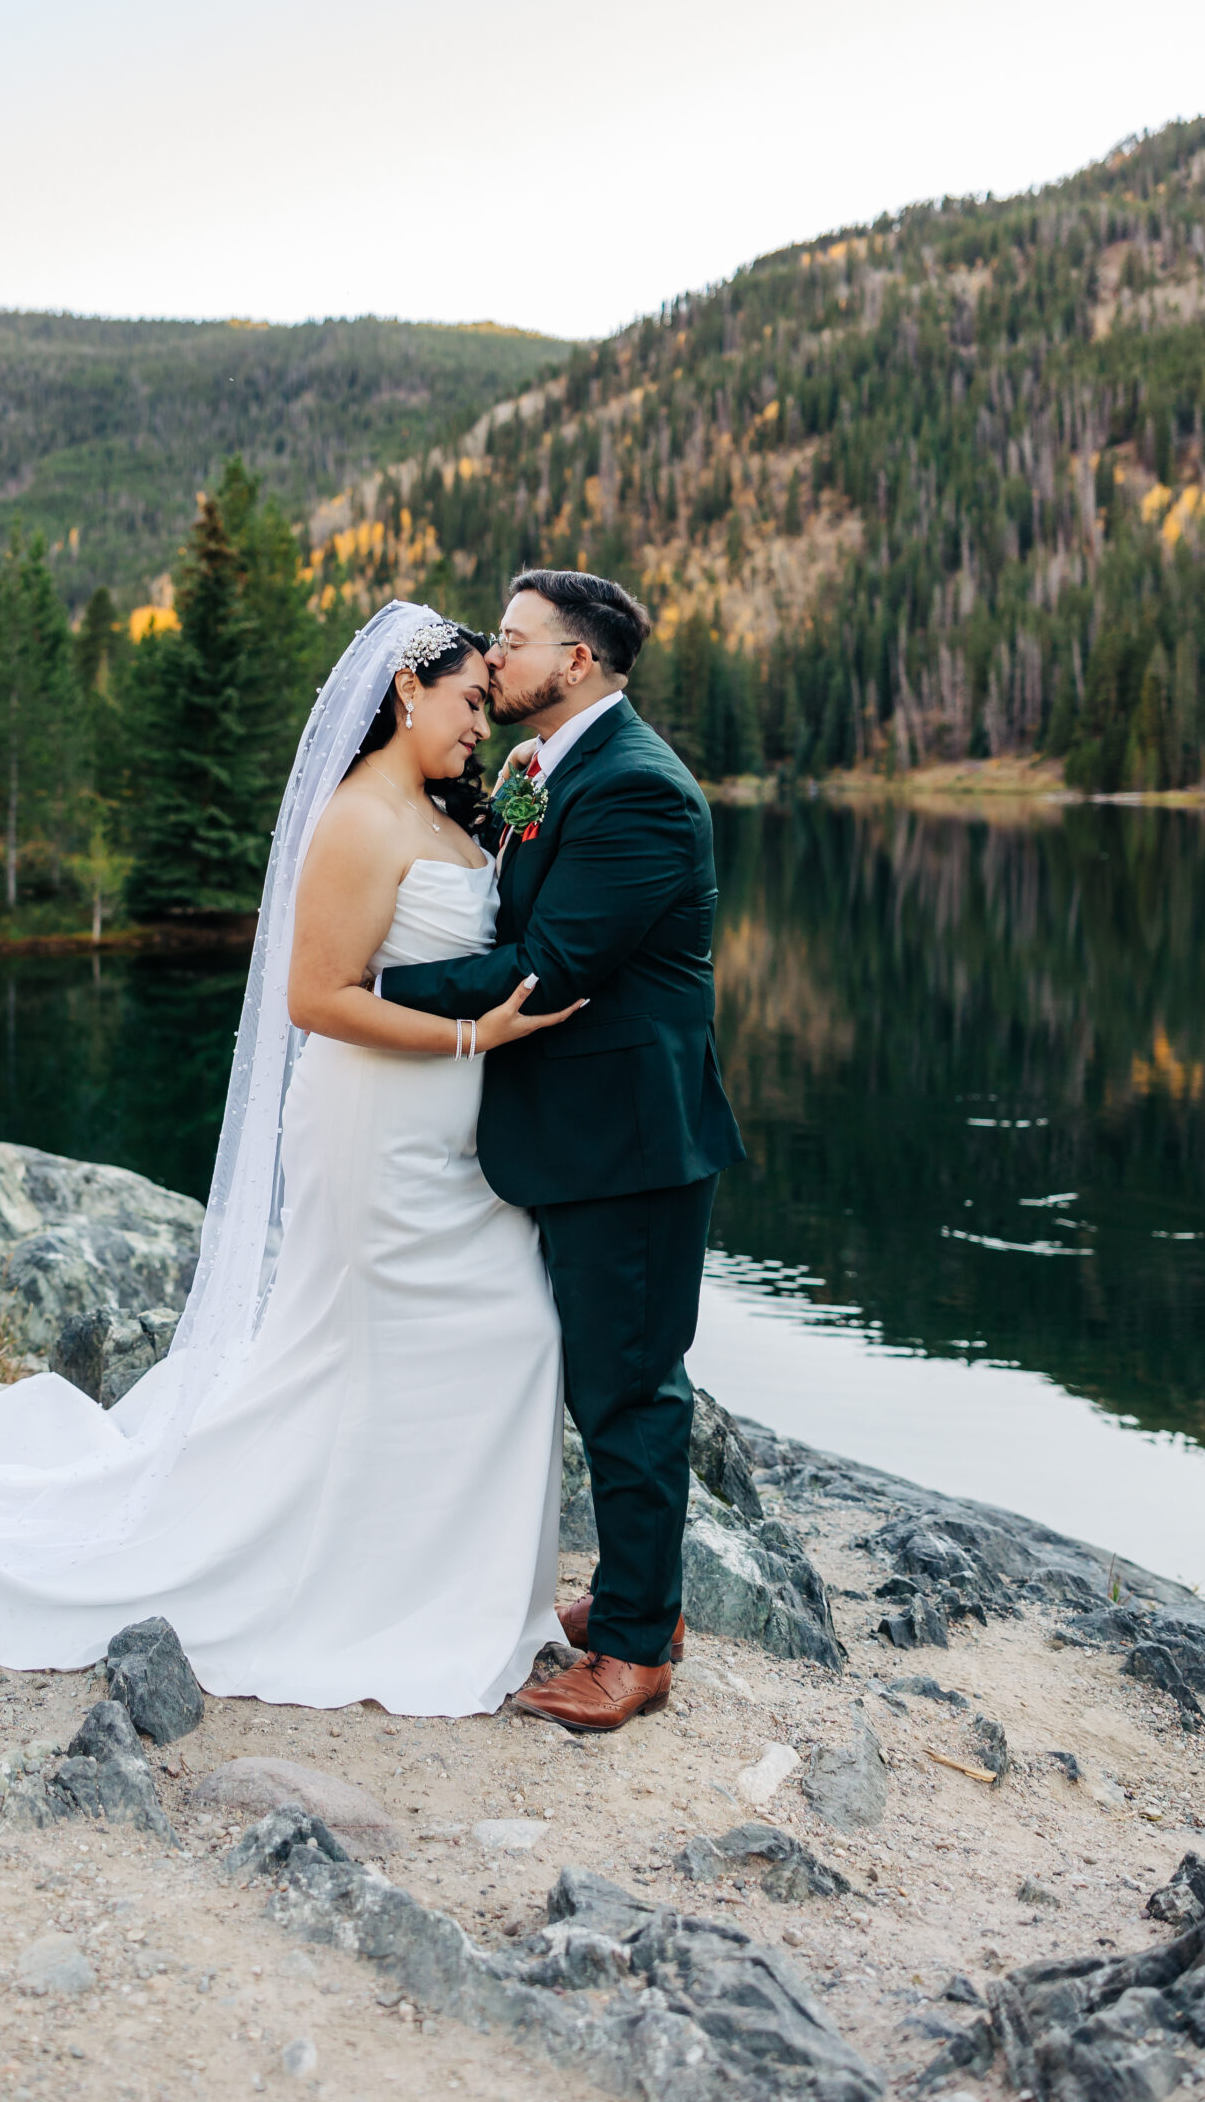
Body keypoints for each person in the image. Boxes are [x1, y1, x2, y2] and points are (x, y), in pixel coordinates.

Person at [0, 602, 582, 1718]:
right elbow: (314, 999)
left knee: (491, 1330)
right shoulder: (357, 820)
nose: (483, 721)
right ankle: (369, 1585)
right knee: (419, 1337)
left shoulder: (443, 812)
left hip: (446, 1139)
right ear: (402, 693)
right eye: (470, 700)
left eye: (489, 701)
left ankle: (434, 1581)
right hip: (376, 1133)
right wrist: (477, 1036)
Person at [376, 568, 745, 1732]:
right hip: (579, 1134)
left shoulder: (640, 790)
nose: (495, 655)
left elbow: (551, 966)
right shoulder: (550, 766)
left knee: (631, 1389)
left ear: (575, 662)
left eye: (516, 638)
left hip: (630, 1141)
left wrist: (362, 987)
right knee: (602, 1375)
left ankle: (637, 1651)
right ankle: (646, 1601)